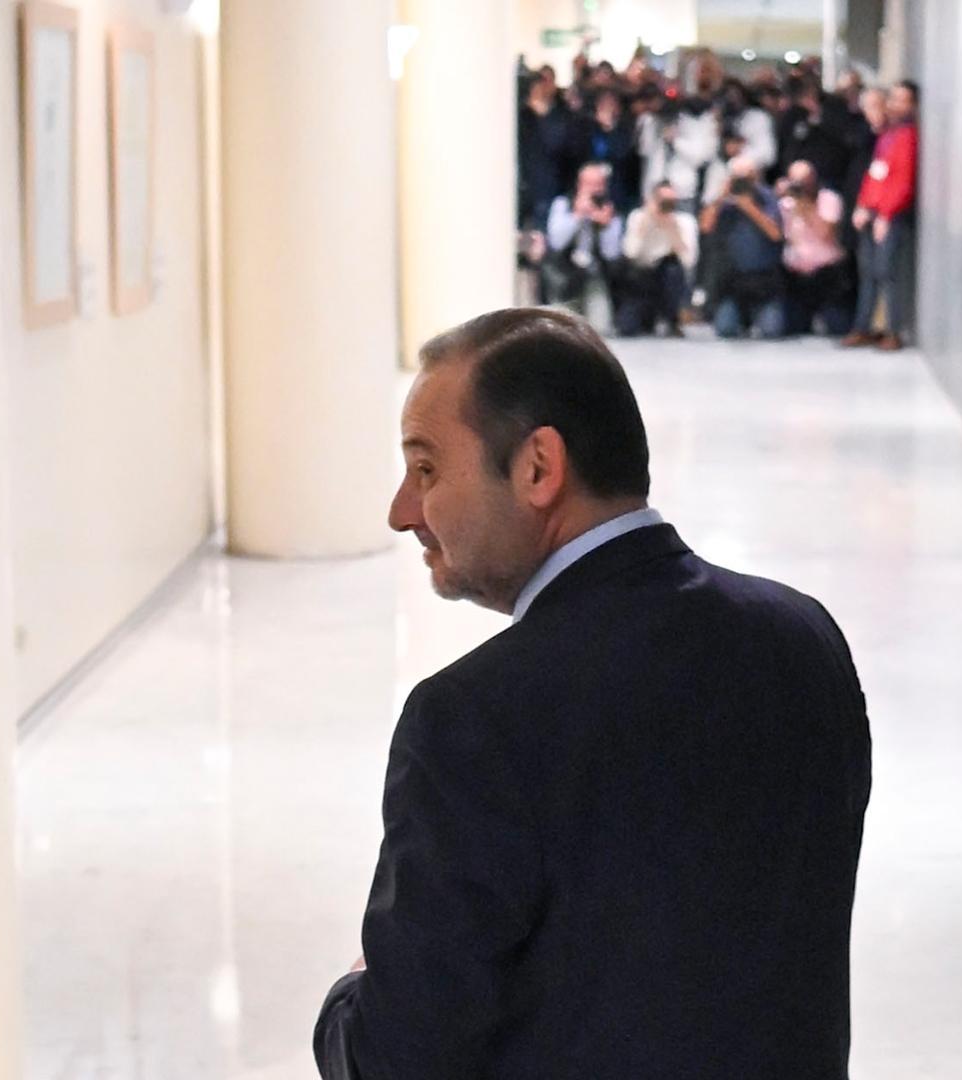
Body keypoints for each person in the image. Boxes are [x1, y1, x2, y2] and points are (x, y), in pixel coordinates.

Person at [315, 307, 872, 1080]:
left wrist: (352, 992)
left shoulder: (476, 717)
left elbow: (397, 1058)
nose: (402, 511)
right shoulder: (803, 639)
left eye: (427, 469)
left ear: (539, 467)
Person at [844, 81, 919, 350]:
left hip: (891, 215)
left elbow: (903, 181)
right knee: (869, 272)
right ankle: (862, 326)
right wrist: (863, 205)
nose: (896, 105)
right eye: (894, 99)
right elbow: (875, 174)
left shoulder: (908, 136)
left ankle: (893, 330)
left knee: (888, 273)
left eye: (903, 100)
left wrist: (886, 215)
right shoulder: (889, 135)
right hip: (873, 212)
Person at [700, 156, 787, 339]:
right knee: (725, 329)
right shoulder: (724, 201)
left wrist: (749, 207)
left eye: (747, 177)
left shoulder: (767, 197)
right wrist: (721, 197)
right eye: (738, 177)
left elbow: (775, 234)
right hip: (733, 280)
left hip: (763, 279)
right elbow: (706, 227)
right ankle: (740, 317)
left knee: (772, 331)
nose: (743, 182)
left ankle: (758, 315)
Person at [542, 163, 624, 327]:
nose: (594, 189)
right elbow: (556, 243)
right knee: (559, 327)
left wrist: (605, 228)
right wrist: (577, 215)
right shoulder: (563, 204)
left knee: (601, 327)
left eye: (598, 184)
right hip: (564, 275)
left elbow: (612, 255)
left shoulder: (611, 210)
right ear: (579, 184)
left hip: (593, 276)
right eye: (589, 184)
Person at [615, 181, 699, 337]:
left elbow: (689, 261)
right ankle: (645, 317)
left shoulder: (684, 221)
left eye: (670, 201)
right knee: (627, 328)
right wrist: (646, 223)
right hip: (642, 278)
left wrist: (673, 230)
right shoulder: (638, 216)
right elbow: (630, 253)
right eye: (662, 200)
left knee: (672, 269)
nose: (665, 206)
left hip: (668, 279)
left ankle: (672, 319)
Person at [778, 161, 852, 336]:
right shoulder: (785, 204)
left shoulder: (829, 199)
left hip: (827, 273)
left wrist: (805, 208)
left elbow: (826, 234)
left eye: (803, 180)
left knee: (838, 327)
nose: (800, 186)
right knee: (791, 328)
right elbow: (780, 236)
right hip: (797, 274)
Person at [518, 68, 579, 229]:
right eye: (539, 82)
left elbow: (559, 145)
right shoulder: (522, 114)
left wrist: (543, 116)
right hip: (524, 184)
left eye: (547, 81)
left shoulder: (562, 114)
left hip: (551, 186)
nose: (543, 87)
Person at [577, 88, 643, 218]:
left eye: (611, 104)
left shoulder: (625, 129)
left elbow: (622, 154)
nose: (607, 108)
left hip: (616, 189)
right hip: (591, 187)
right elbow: (578, 152)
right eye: (603, 104)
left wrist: (610, 129)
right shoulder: (586, 127)